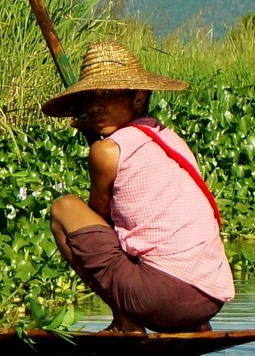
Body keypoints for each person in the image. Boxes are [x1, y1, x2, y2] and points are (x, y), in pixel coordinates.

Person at [42, 41, 234, 333]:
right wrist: (100, 133)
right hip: (210, 298)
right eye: (89, 98)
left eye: (108, 94)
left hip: (161, 297)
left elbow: (100, 218)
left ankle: (125, 320)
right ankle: (196, 325)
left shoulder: (106, 152)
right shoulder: (170, 140)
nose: (95, 106)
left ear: (138, 97)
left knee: (64, 209)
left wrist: (99, 144)